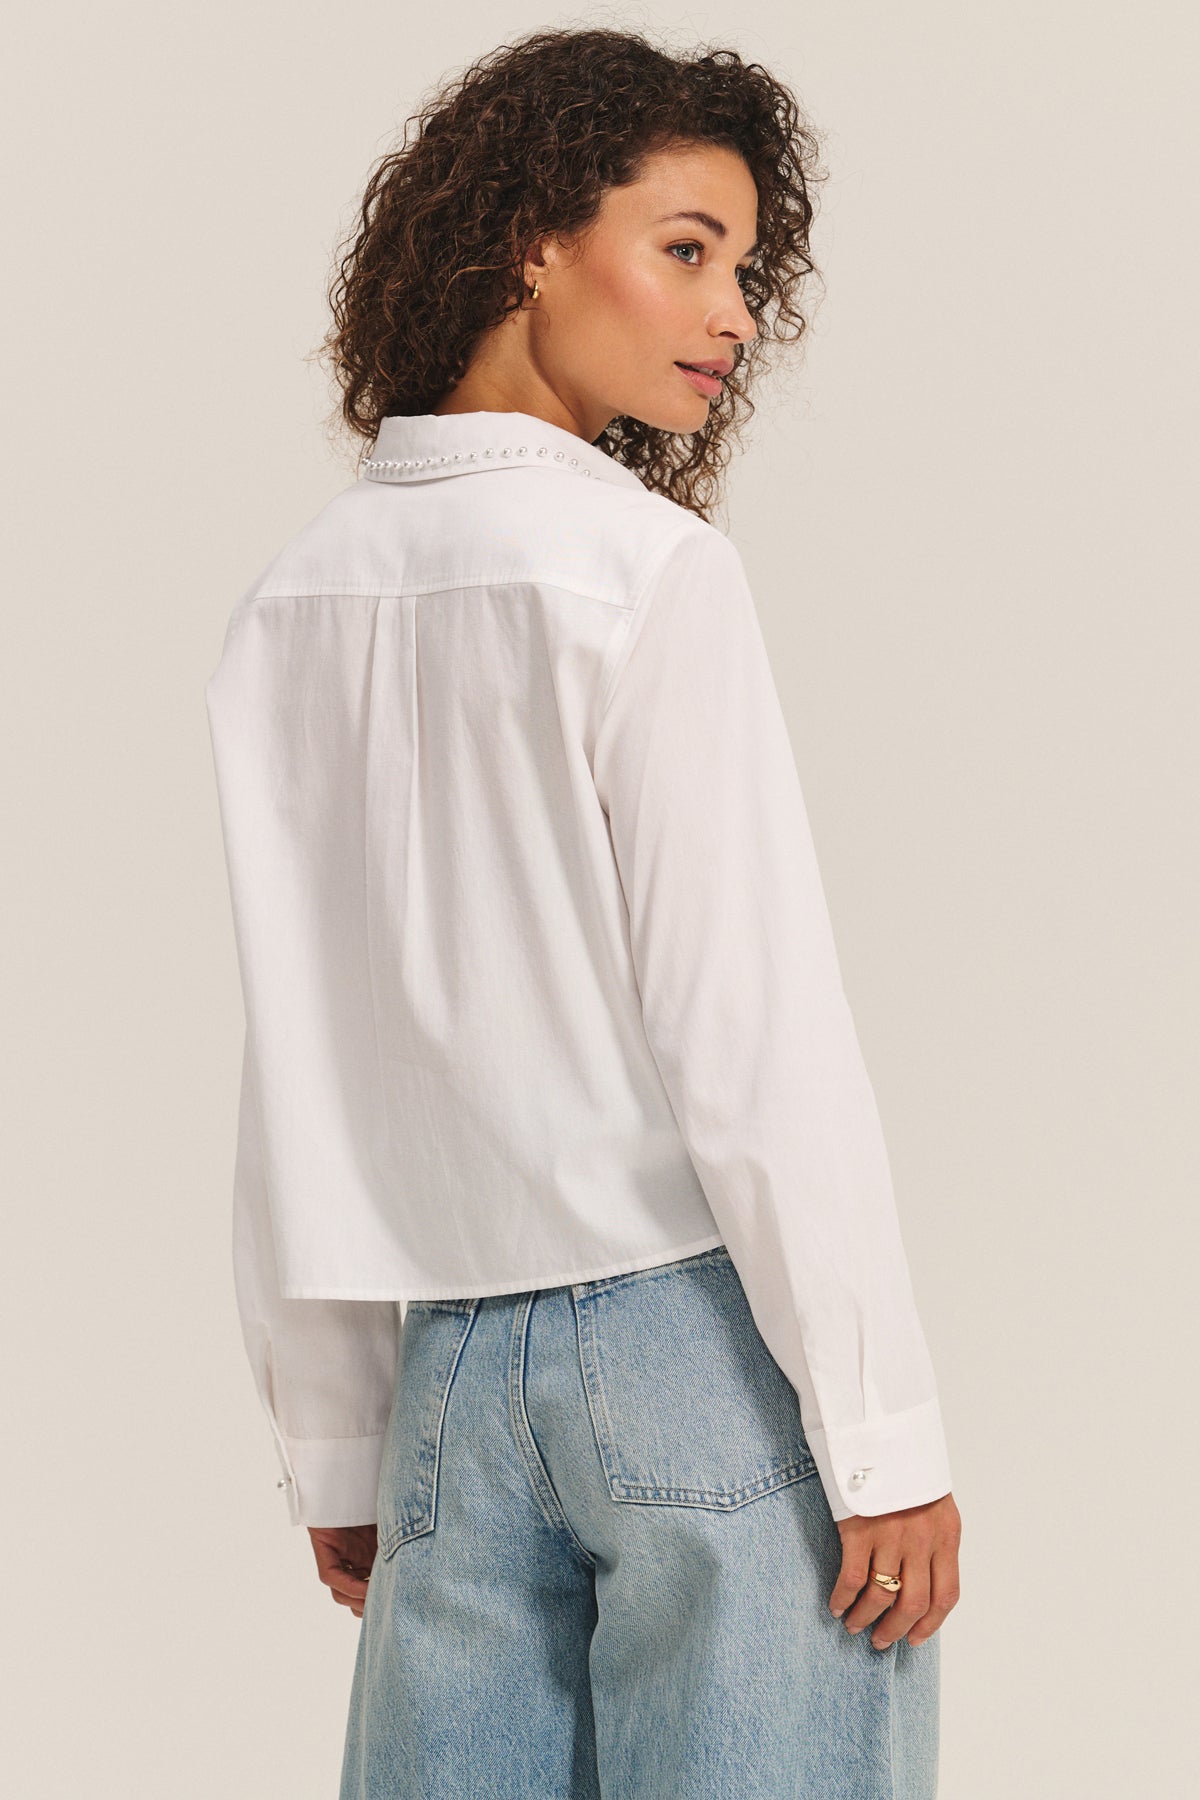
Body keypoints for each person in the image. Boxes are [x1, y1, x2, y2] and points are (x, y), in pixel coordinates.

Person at [204, 24, 962, 1798]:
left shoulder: (290, 606)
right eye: (685, 247)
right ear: (533, 235)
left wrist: (340, 1443)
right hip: (693, 1350)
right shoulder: (644, 574)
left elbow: (296, 1065)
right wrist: (885, 1431)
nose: (735, 312)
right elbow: (751, 1033)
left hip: (448, 1385)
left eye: (747, 267)